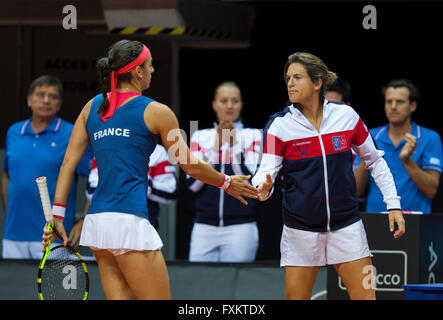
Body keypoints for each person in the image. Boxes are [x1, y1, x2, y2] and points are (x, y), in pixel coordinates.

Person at [41, 40, 258, 300]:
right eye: (150, 65)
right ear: (138, 72)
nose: (153, 70)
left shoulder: (91, 107)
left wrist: (58, 217)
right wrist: (225, 181)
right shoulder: (158, 112)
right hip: (128, 222)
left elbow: (68, 164)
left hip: (97, 225)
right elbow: (187, 163)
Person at [251, 52, 405, 300]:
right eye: (288, 78)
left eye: (297, 77)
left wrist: (393, 204)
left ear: (317, 83)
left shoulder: (346, 116)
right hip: (299, 229)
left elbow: (375, 159)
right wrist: (262, 186)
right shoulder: (279, 125)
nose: (290, 83)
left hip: (347, 227)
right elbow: (265, 171)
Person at [1, 75, 92, 259]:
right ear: (29, 100)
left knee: (47, 289)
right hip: (13, 235)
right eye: (40, 94)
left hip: (53, 238)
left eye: (53, 96)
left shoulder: (71, 134)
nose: (46, 100)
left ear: (59, 104)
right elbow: (7, 175)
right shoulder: (14, 132)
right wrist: (11, 211)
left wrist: (84, 221)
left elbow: (96, 178)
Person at [187, 81, 262, 262]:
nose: (229, 106)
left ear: (241, 104)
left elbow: (250, 183)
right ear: (214, 104)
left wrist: (234, 144)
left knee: (238, 284)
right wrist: (215, 148)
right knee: (199, 283)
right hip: (204, 226)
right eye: (224, 100)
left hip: (241, 226)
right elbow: (193, 185)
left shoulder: (254, 135)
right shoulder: (200, 136)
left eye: (235, 101)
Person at [354, 79, 443, 213]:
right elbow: (355, 192)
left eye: (400, 101)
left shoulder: (430, 138)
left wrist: (407, 161)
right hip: (375, 221)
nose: (393, 106)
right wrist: (366, 155)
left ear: (412, 106)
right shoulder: (369, 136)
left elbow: (431, 190)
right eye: (389, 101)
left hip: (416, 222)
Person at [84, 143, 177, 231]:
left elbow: (171, 193)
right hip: (109, 224)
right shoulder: (105, 147)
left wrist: (144, 185)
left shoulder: (157, 150)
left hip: (144, 226)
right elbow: (91, 190)